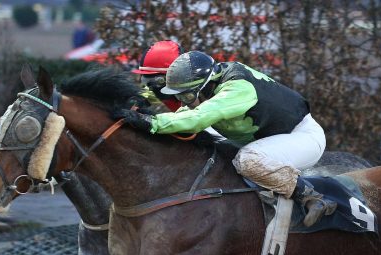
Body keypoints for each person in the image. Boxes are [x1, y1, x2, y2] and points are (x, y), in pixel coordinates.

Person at [115, 51, 335, 227]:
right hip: (270, 136)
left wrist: (150, 122)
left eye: (187, 96)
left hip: (301, 137)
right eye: (180, 97)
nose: (184, 102)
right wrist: (138, 99)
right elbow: (186, 110)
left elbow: (197, 118)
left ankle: (313, 197)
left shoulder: (237, 89)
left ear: (205, 85)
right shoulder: (213, 81)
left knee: (247, 160)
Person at [131, 40, 183, 113]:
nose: (147, 88)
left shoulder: (197, 100)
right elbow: (147, 98)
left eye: (152, 79)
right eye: (144, 77)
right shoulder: (158, 94)